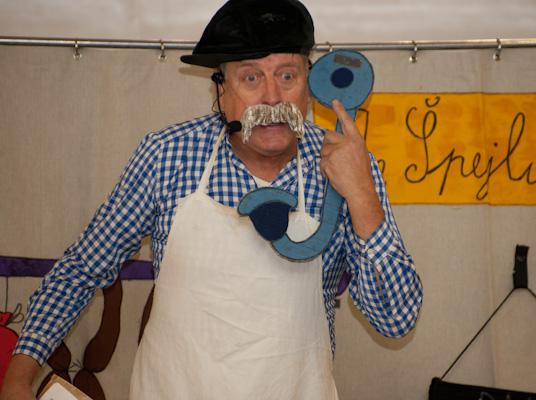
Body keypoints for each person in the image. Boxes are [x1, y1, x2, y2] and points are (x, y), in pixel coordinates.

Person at [1, 0, 423, 398]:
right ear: (220, 91)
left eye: (287, 76)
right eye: (251, 77)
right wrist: (18, 378)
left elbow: (395, 321)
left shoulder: (347, 164)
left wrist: (362, 197)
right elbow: (81, 270)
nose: (272, 98)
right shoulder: (166, 155)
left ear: (309, 85)